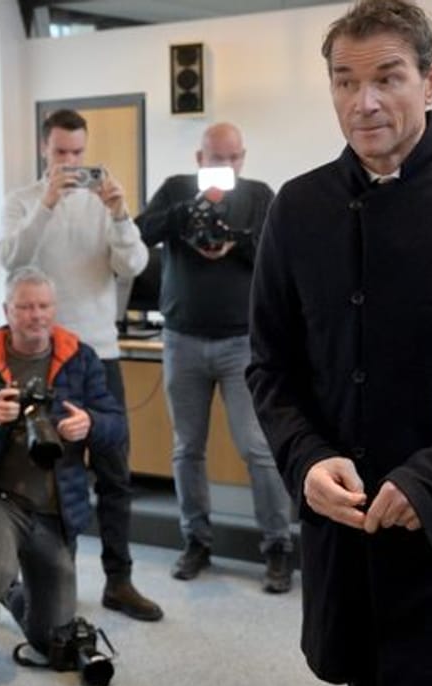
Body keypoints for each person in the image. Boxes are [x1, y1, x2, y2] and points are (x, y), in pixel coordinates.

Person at [247, 1, 432, 686]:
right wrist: (305, 459)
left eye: (388, 77)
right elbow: (272, 366)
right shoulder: (298, 207)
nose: (364, 101)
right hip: (352, 565)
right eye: (345, 81)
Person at [0, 109, 163, 622]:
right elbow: (10, 258)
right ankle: (51, 576)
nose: (70, 162)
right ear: (45, 149)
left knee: (114, 474)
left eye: (77, 153)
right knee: (47, 474)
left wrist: (117, 213)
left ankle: (119, 579)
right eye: (61, 153)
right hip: (44, 356)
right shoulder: (22, 201)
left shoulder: (102, 202)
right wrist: (46, 205)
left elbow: (133, 266)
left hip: (98, 353)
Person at [0, 268, 124, 676]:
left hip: (54, 508)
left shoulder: (82, 358)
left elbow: (117, 427)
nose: (35, 316)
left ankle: (8, 595)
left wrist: (91, 424)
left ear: (54, 309)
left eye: (43, 306)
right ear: (8, 310)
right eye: (24, 307)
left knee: (50, 638)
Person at [135, 123, 293, 593]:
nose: (223, 167)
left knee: (257, 448)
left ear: (242, 157)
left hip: (242, 343)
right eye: (214, 158)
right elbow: (142, 233)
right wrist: (188, 213)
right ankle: (196, 541)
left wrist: (235, 242)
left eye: (231, 158)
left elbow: (275, 254)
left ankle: (278, 547)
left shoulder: (260, 195)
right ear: (199, 157)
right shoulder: (176, 190)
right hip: (181, 339)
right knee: (187, 448)